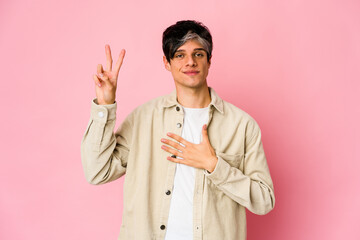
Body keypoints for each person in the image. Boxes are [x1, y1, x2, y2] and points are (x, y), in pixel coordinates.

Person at [81, 20, 275, 240]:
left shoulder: (241, 125)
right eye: (180, 55)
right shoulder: (144, 119)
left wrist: (215, 166)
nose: (190, 62)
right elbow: (97, 172)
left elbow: (264, 201)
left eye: (199, 54)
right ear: (167, 62)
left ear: (209, 61)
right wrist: (105, 105)